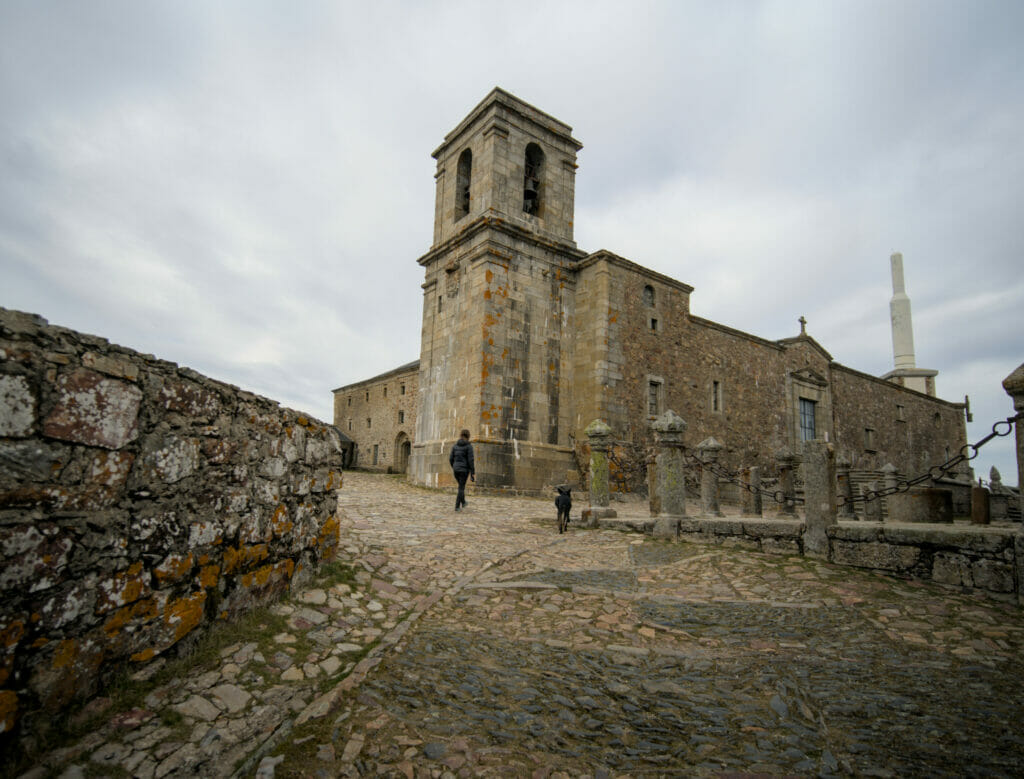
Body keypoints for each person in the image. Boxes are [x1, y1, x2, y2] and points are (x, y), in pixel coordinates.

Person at [449, 429, 475, 511]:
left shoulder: (455, 446)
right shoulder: (469, 446)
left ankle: (463, 502)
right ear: (468, 436)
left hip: (456, 470)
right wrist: (473, 472)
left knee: (461, 486)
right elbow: (471, 460)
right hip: (464, 470)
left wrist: (454, 467)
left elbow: (450, 458)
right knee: (461, 488)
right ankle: (457, 506)